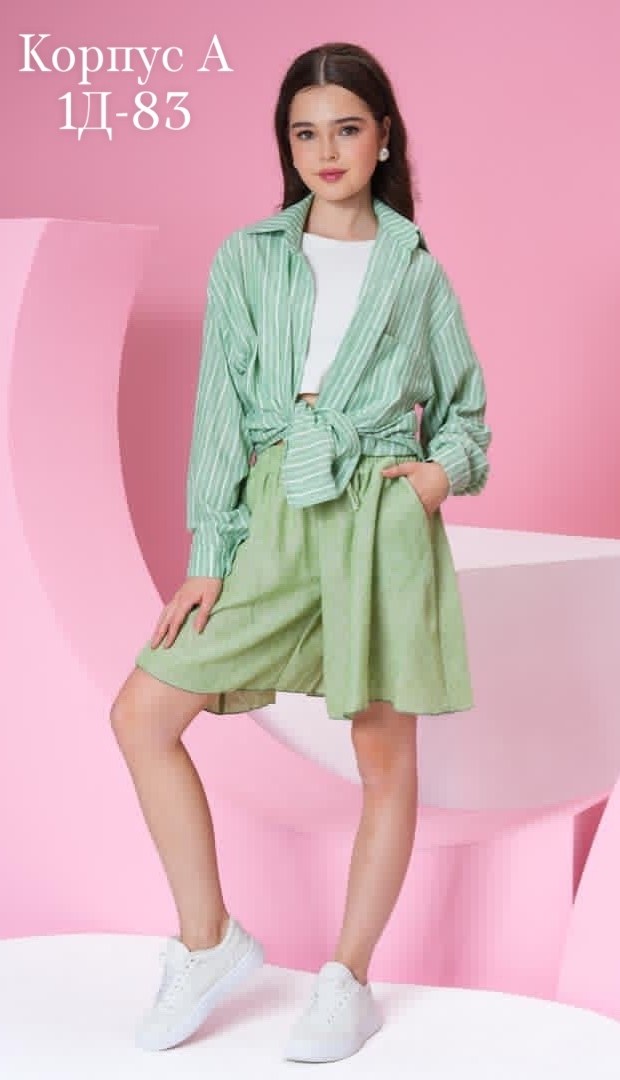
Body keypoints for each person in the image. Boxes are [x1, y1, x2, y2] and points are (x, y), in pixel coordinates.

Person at [110, 40, 492, 1065]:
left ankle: (346, 980)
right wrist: (211, 551)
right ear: (286, 146)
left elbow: (465, 415)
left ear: (383, 138)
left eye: (347, 129)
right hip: (278, 503)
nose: (326, 151)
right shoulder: (247, 258)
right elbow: (220, 412)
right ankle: (208, 942)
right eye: (305, 132)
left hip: (379, 516)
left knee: (383, 755)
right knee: (143, 713)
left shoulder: (415, 270)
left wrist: (437, 476)